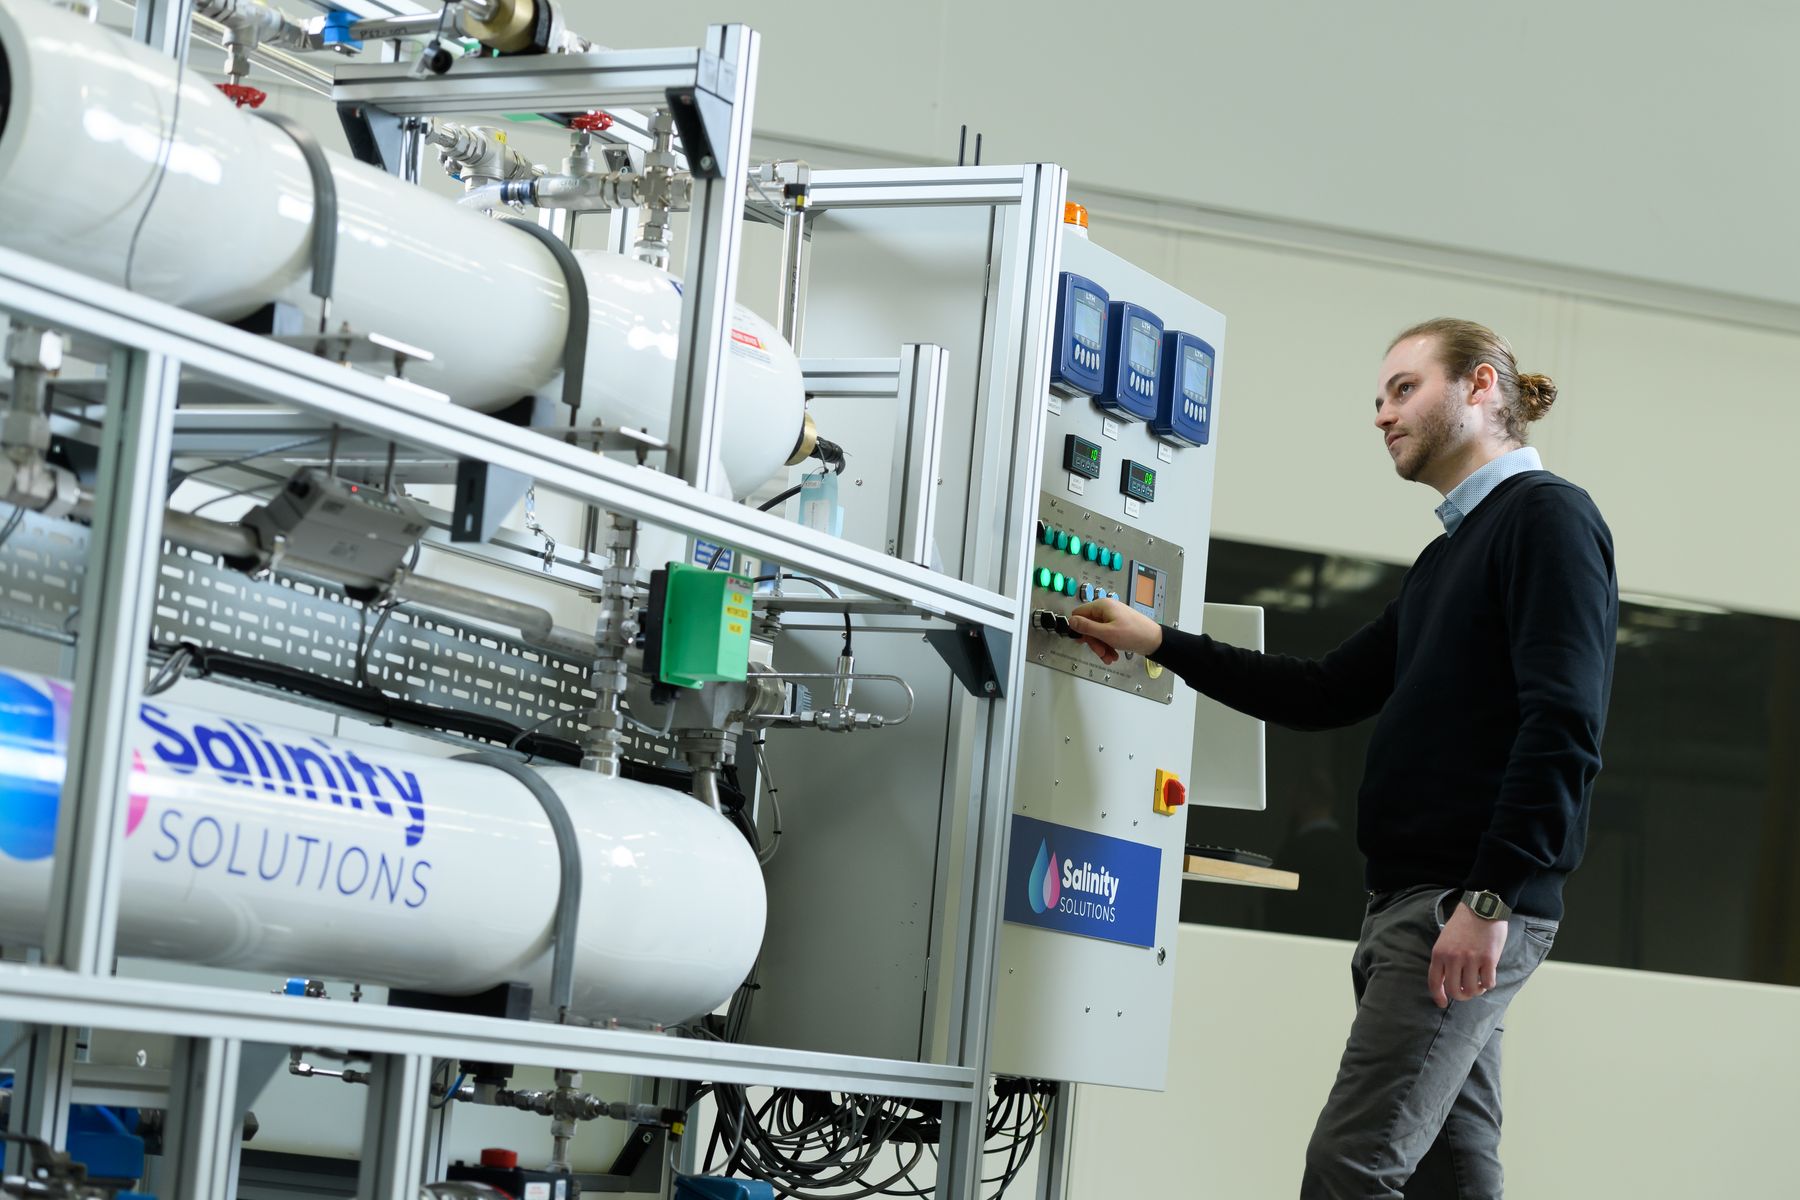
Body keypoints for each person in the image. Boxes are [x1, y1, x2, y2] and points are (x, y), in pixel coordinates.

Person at [1068, 318, 1618, 1198]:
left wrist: (1488, 897)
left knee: (1349, 1169)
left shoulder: (1547, 520)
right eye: (1378, 398)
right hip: (1420, 903)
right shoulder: (1447, 557)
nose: (1382, 415)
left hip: (1457, 903)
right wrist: (1160, 640)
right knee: (1452, 1178)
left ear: (1480, 388)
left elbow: (1564, 726)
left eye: (1404, 389)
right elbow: (1320, 690)